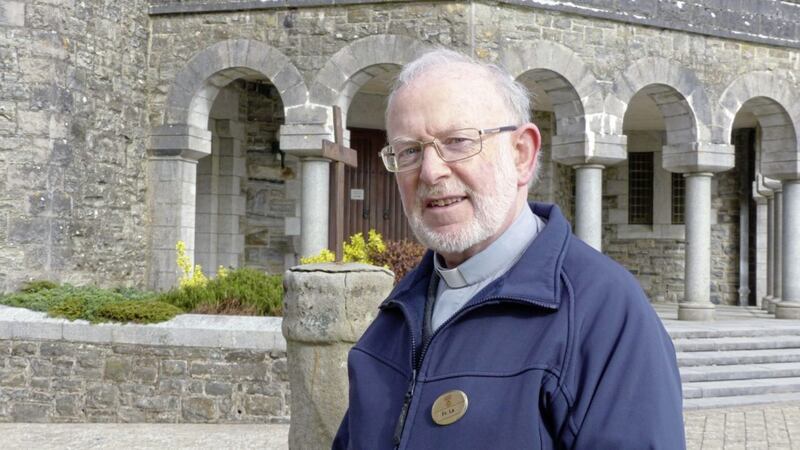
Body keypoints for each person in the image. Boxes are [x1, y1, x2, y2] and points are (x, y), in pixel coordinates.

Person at [332, 48, 685, 449]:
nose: (431, 171)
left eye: (458, 141)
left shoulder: (604, 313)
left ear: (522, 153)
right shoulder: (397, 316)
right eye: (410, 150)